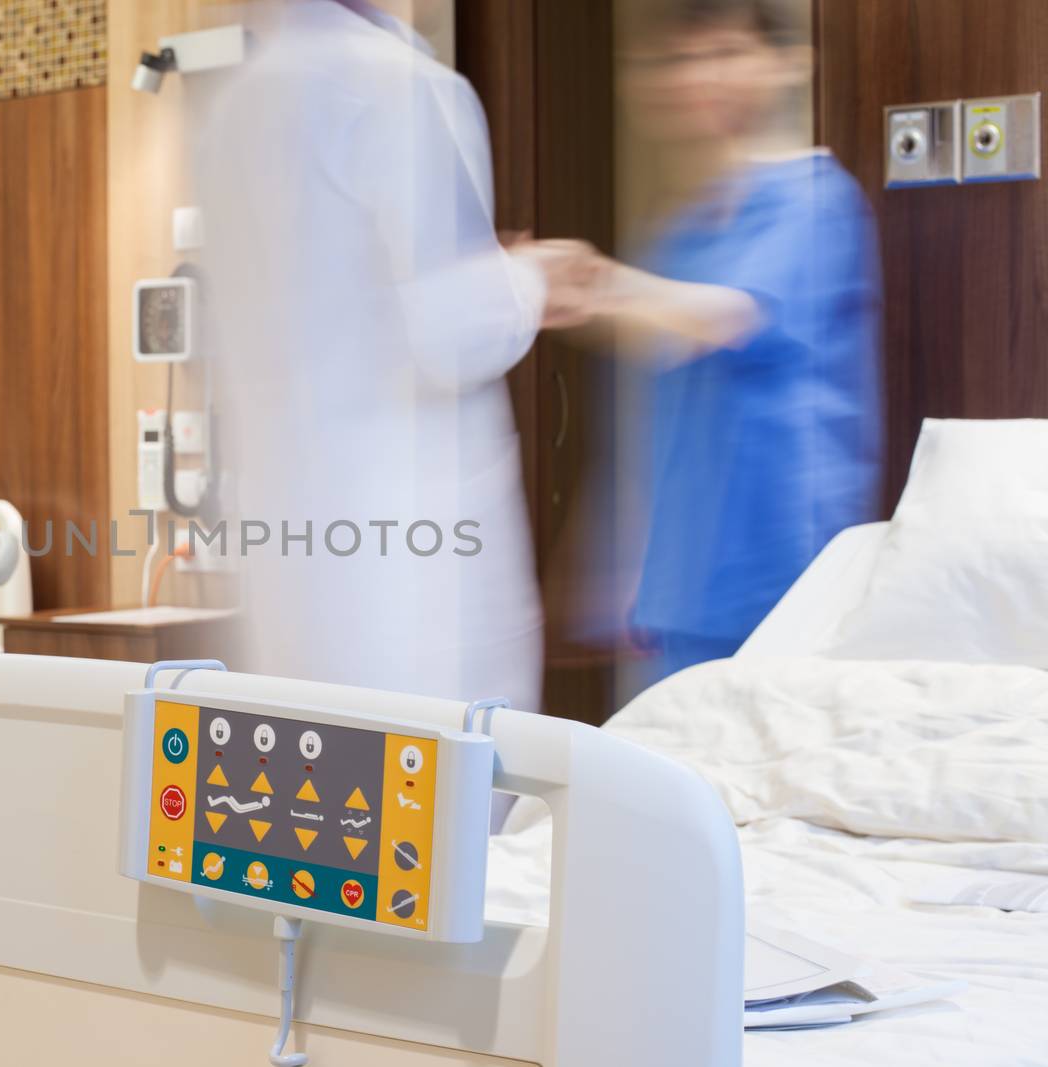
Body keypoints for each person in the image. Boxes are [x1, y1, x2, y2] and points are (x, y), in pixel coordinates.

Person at [188, 0, 591, 719]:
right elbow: (456, 334)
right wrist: (532, 277)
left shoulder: (229, 115)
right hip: (413, 573)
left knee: (314, 800)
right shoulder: (400, 87)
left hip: (290, 558)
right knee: (447, 805)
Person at [572, 0, 882, 678]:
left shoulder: (814, 199)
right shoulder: (679, 234)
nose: (699, 77)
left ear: (786, 65)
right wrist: (622, 569)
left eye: (725, 53)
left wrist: (583, 280)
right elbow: (650, 419)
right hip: (678, 591)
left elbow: (721, 317)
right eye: (680, 59)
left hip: (779, 581)